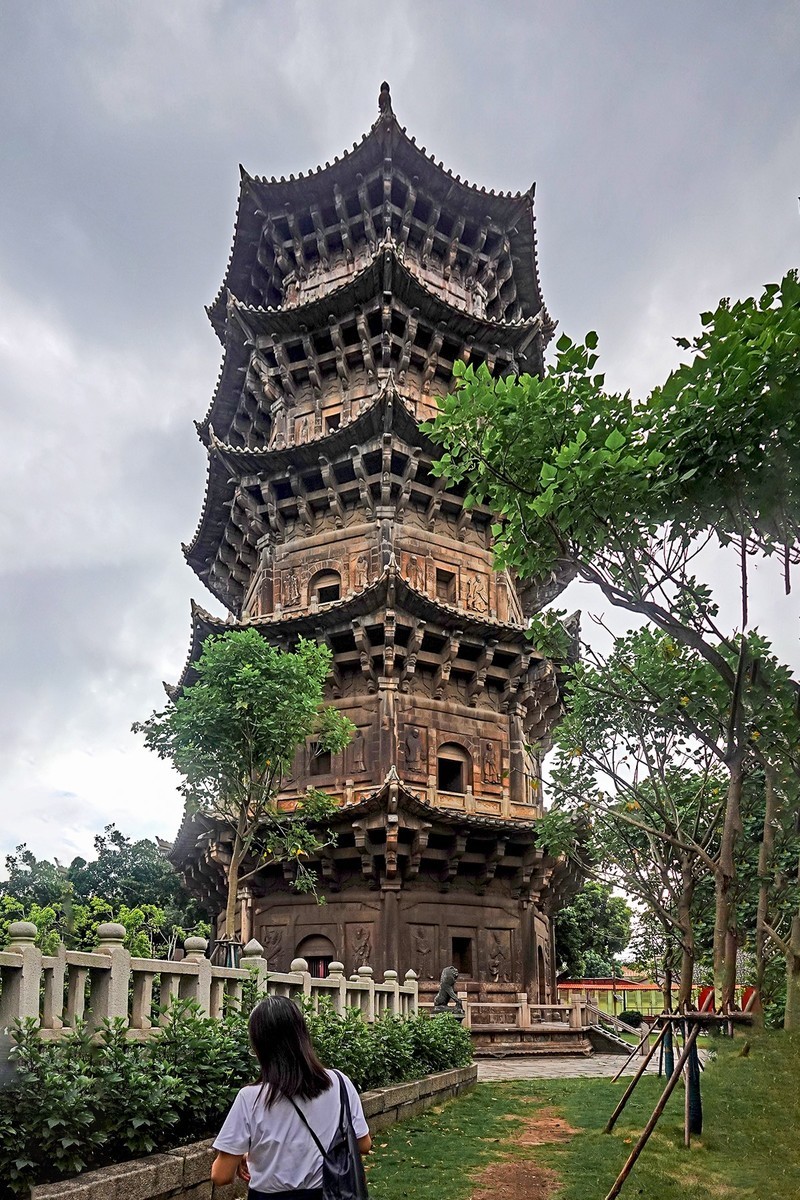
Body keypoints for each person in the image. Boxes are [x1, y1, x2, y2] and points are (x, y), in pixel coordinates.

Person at [211, 995, 372, 1199]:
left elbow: (221, 1176)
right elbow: (363, 1144)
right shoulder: (339, 1083)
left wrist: (245, 1154)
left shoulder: (250, 1097)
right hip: (328, 1193)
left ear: (259, 1045)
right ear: (302, 1035)